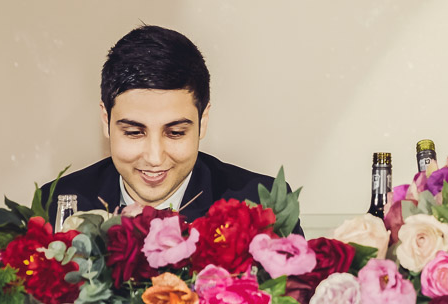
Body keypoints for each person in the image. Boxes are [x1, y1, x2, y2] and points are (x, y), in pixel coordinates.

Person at [42, 24, 287, 226]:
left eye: (175, 133)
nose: (155, 157)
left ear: (203, 122)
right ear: (106, 121)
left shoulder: (263, 207)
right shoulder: (54, 205)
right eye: (134, 132)